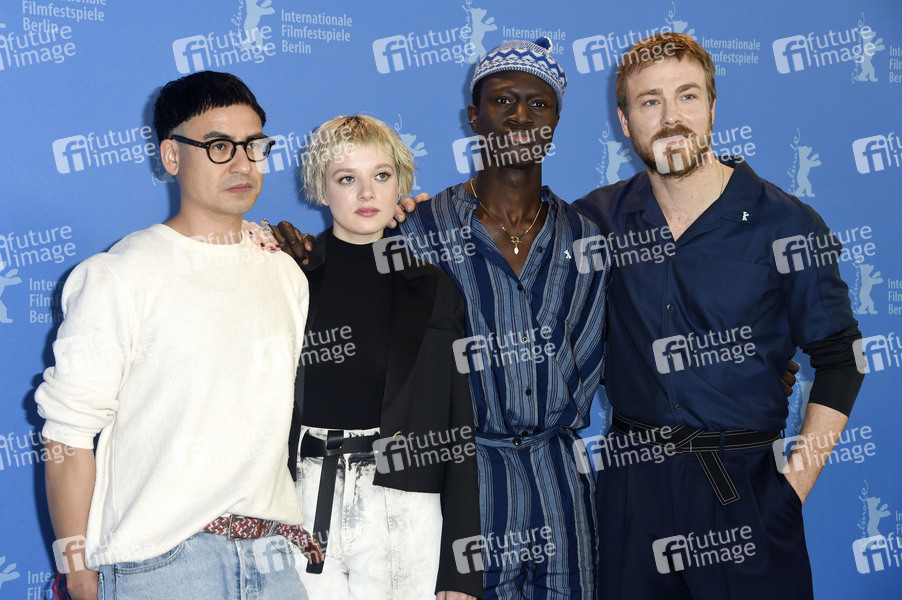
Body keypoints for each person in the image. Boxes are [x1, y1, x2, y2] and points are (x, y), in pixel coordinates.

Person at [570, 33, 864, 599]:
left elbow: (841, 357)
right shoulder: (596, 221)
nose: (671, 117)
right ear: (625, 121)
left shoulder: (786, 224)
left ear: (712, 107)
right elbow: (509, 240)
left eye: (687, 96)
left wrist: (791, 490)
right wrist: (408, 214)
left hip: (745, 497)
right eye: (650, 101)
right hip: (630, 500)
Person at [35, 71, 320, 600]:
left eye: (254, 146)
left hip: (274, 560)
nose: (242, 163)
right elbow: (67, 435)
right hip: (161, 568)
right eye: (218, 146)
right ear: (171, 156)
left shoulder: (284, 273)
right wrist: (77, 571)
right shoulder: (121, 274)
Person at [286, 114, 481, 600]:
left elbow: (458, 425)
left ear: (400, 183)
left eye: (381, 175)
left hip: (405, 505)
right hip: (299, 499)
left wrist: (461, 572)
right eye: (346, 179)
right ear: (321, 187)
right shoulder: (287, 278)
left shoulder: (434, 288)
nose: (366, 193)